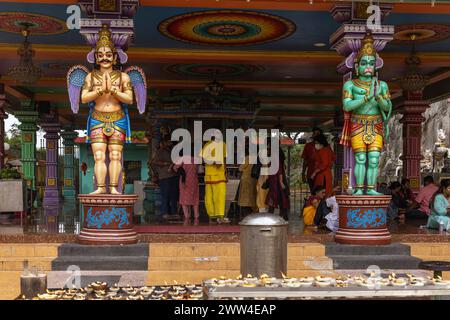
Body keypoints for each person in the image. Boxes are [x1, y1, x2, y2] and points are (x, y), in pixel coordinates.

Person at [199, 133, 229, 224]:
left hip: (212, 175)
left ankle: (213, 216)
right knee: (219, 196)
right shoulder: (221, 144)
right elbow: (223, 160)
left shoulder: (207, 145)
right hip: (217, 175)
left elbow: (203, 160)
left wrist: (225, 171)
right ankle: (219, 217)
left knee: (210, 196)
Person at [152, 139, 179, 222]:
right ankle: (165, 213)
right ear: (163, 142)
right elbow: (155, 162)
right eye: (168, 141)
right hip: (164, 177)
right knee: (165, 195)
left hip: (174, 175)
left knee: (174, 195)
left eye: (170, 142)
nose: (169, 143)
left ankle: (174, 213)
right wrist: (166, 164)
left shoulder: (173, 151)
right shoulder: (160, 151)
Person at [172, 153, 199, 226]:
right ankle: (196, 216)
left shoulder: (183, 158)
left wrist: (182, 171)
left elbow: (175, 168)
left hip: (185, 181)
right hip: (194, 181)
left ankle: (187, 217)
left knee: (184, 199)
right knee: (195, 199)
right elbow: (198, 171)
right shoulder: (196, 159)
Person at [266, 147, 290, 220]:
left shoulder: (274, 158)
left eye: (269, 148)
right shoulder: (275, 158)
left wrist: (280, 182)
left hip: (276, 182)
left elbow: (279, 171)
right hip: (274, 181)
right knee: (280, 198)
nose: (267, 149)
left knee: (276, 198)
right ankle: (283, 216)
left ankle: (272, 215)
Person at [301, 127, 322, 192]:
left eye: (318, 134)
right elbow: (305, 161)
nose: (316, 135)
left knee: (321, 195)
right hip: (311, 174)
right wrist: (303, 174)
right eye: (314, 134)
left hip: (322, 175)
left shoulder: (325, 146)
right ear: (313, 135)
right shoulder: (308, 146)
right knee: (313, 194)